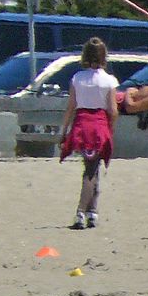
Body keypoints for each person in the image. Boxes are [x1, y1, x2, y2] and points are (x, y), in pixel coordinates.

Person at [58, 37, 119, 229]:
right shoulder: (109, 81)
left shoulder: (77, 78)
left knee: (92, 167)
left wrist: (64, 131)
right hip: (99, 125)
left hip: (82, 124)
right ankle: (81, 212)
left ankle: (92, 211)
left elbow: (71, 107)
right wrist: (110, 128)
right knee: (92, 169)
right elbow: (113, 110)